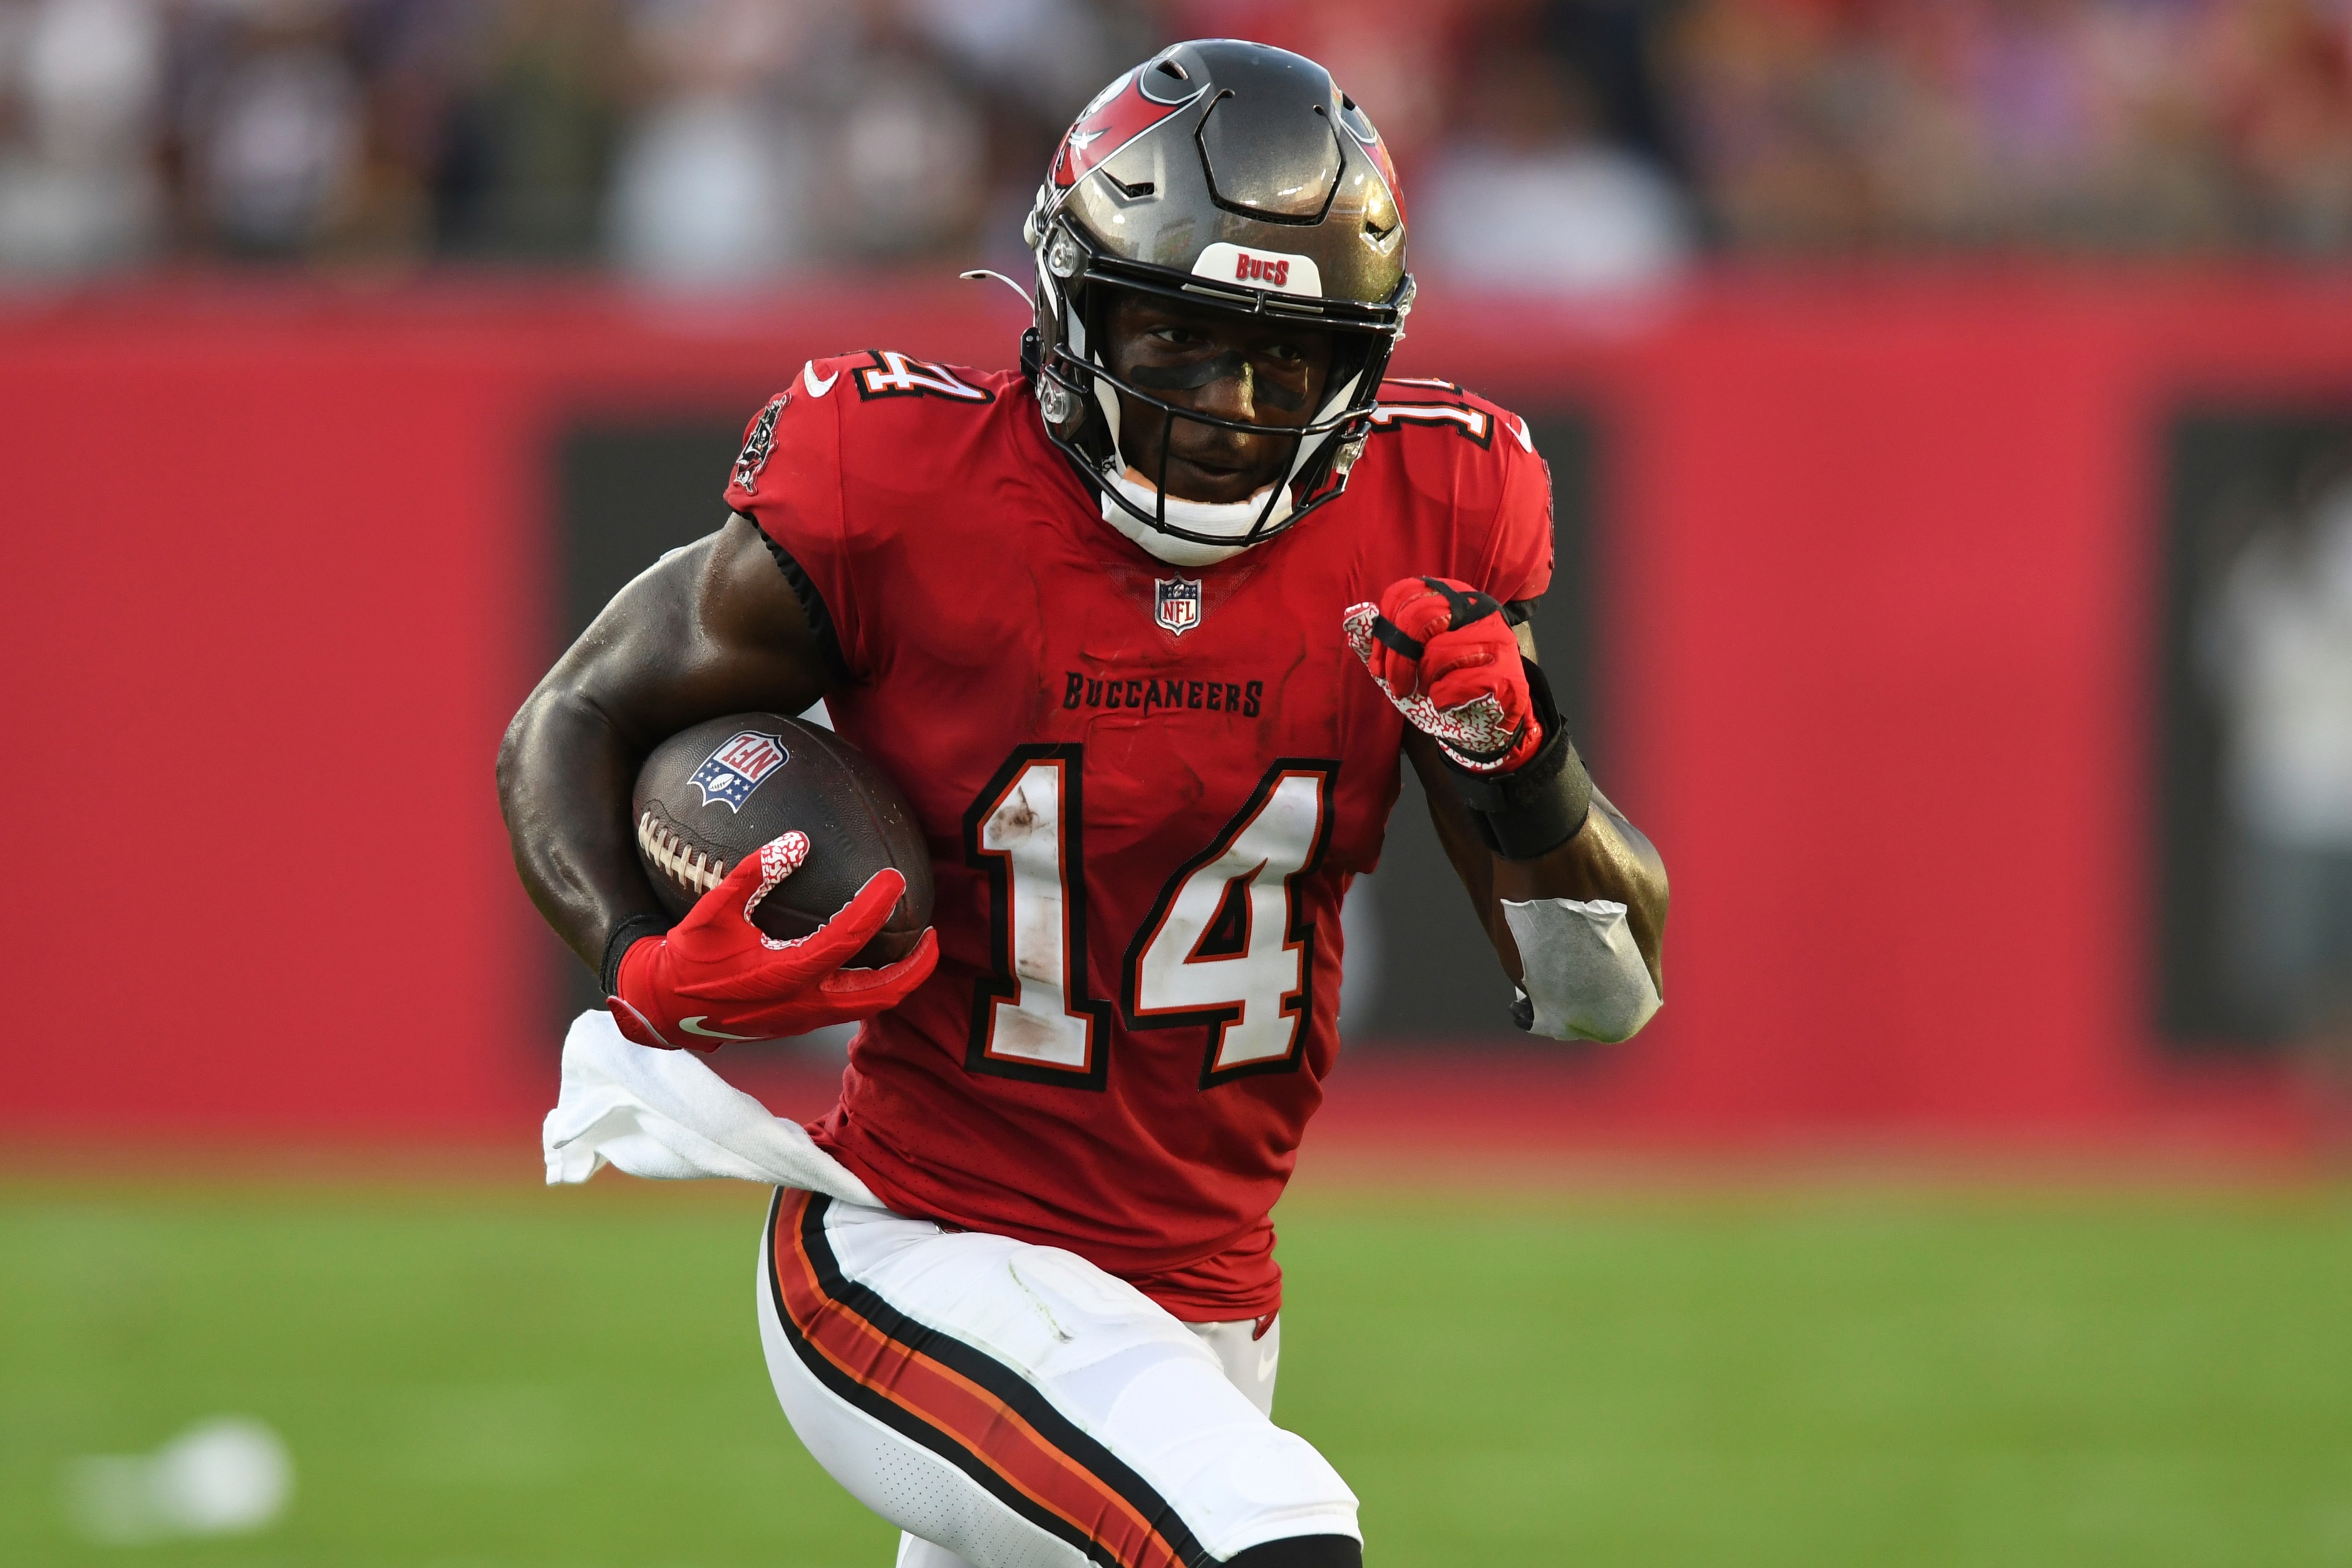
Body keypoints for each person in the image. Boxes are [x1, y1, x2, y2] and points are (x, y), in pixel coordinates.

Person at [500, 38, 1668, 1568]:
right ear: (1067, 305)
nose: (1227, 411)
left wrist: (1528, 770)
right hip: (917, 1242)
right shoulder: (903, 480)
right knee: (1275, 1537)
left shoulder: (1430, 516)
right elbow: (575, 714)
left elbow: (1602, 1000)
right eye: (1175, 341)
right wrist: (629, 952)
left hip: (1206, 1307)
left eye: (1282, 360)